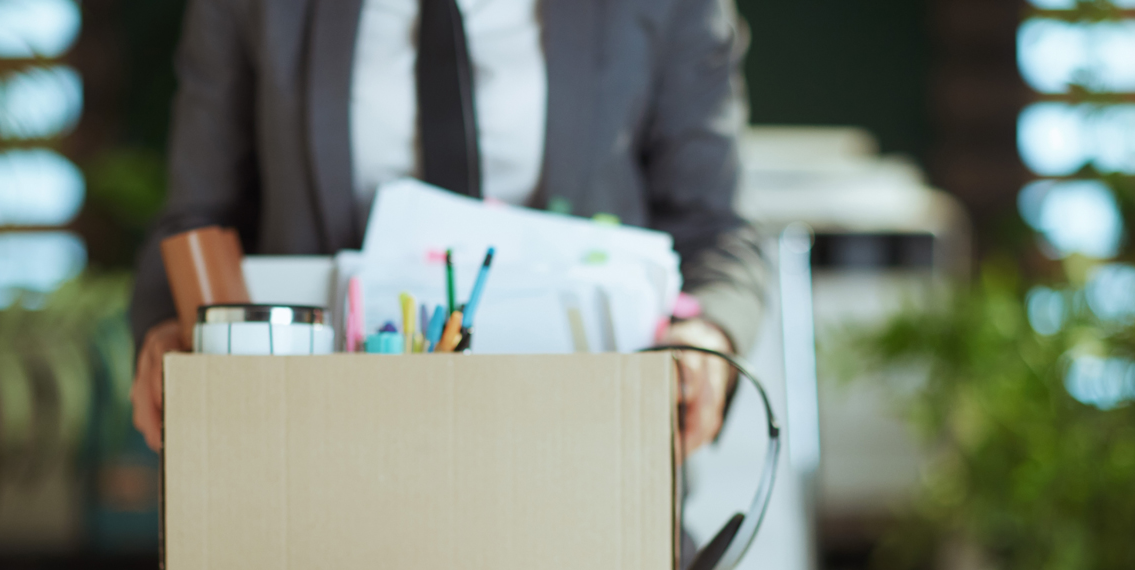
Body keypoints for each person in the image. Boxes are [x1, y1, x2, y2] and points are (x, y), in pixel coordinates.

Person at [131, 0, 765, 477]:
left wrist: (706, 338)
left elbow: (714, 229)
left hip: (583, 459)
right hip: (322, 464)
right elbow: (198, 212)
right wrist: (173, 330)